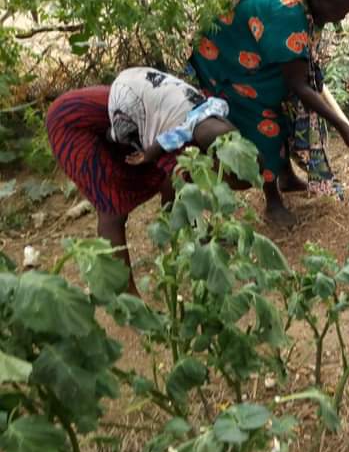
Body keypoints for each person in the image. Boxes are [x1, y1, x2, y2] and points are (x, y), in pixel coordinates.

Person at [47, 68, 251, 294]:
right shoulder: (179, 136)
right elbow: (174, 186)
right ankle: (127, 298)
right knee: (112, 209)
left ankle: (194, 236)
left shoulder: (211, 118)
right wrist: (178, 232)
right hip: (72, 123)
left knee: (166, 174)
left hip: (122, 117)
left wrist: (193, 234)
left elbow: (180, 186)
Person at [189, 0, 349, 227]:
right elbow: (299, 86)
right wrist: (343, 126)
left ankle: (287, 178)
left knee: (282, 110)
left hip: (255, 49)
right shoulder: (286, 15)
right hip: (226, 58)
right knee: (264, 124)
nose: (340, 19)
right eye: (339, 11)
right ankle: (273, 202)